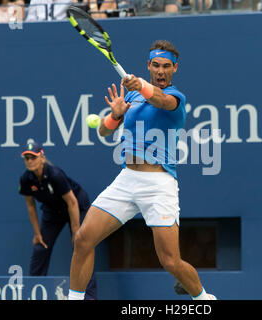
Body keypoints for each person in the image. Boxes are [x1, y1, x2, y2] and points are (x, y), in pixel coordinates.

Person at [68, 40, 216, 300]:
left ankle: (204, 299)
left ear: (175, 68)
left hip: (159, 185)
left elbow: (160, 100)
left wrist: (142, 86)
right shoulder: (133, 96)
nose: (161, 71)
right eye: (156, 65)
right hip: (127, 179)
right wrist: (115, 115)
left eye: (166, 66)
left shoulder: (176, 98)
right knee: (83, 239)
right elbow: (103, 130)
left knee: (171, 262)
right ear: (148, 65)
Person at [19, 141, 97, 300]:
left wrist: (76, 232)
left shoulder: (55, 174)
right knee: (40, 246)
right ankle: (33, 292)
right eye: (26, 158)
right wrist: (37, 233)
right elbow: (30, 206)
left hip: (76, 206)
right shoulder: (26, 179)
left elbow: (72, 202)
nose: (29, 161)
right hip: (53, 211)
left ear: (42, 157)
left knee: (82, 246)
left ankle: (89, 296)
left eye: (33, 157)